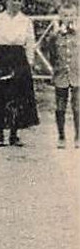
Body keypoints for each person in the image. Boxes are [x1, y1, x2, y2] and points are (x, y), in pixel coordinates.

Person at [0, 0, 40, 147]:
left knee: (18, 96)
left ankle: (14, 134)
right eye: (13, 0)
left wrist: (30, 63)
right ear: (6, 0)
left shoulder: (26, 21)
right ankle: (0, 134)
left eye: (19, 1)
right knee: (0, 95)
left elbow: (30, 43)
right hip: (2, 56)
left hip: (19, 58)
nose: (16, 3)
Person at [51, 13, 78, 148]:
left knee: (77, 106)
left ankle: (78, 136)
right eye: (65, 15)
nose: (68, 18)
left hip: (77, 74)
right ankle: (61, 136)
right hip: (61, 75)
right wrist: (55, 70)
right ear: (61, 17)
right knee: (60, 106)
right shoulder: (55, 36)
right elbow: (51, 54)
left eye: (71, 15)